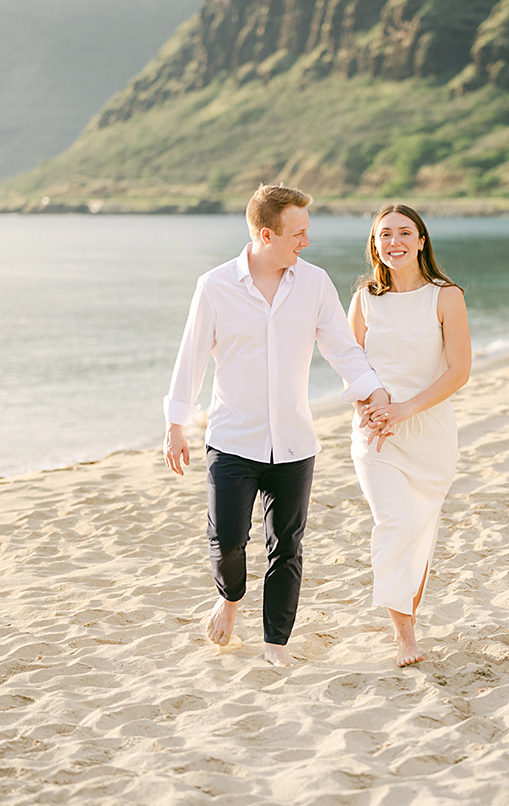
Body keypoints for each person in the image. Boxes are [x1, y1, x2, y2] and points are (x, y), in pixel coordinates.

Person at [163, 183, 389, 667]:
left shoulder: (314, 284)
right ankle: (229, 598)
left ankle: (275, 645)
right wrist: (175, 424)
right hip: (231, 439)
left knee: (286, 546)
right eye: (298, 233)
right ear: (267, 234)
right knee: (226, 540)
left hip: (293, 442)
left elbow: (344, 350)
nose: (305, 242)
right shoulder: (215, 286)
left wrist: (373, 392)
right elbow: (191, 358)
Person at [348, 204, 471, 667]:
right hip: (376, 434)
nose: (394, 241)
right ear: (375, 245)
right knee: (395, 522)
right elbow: (349, 361)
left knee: (419, 531)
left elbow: (460, 371)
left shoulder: (446, 297)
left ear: (421, 241)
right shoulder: (364, 298)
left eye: (404, 233)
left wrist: (406, 409)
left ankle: (407, 619)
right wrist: (370, 405)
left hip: (429, 433)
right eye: (384, 235)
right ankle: (404, 636)